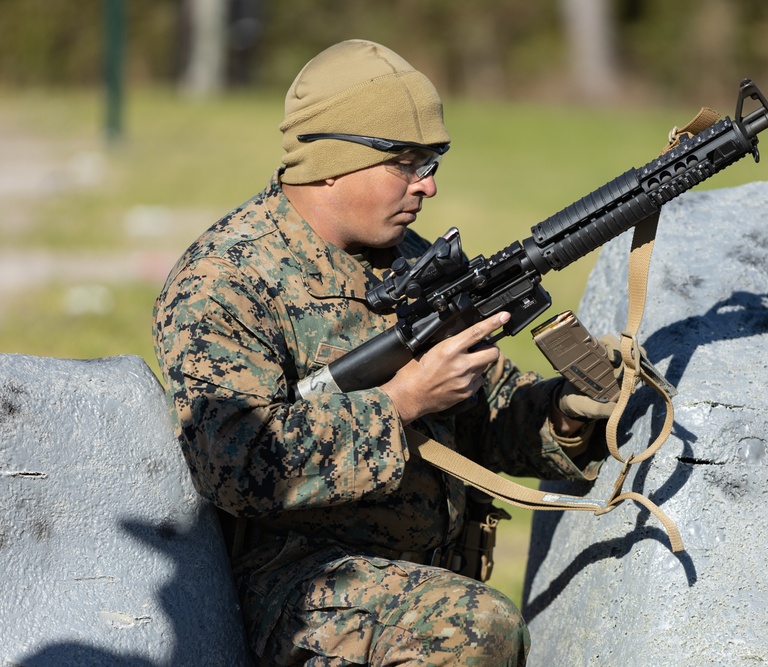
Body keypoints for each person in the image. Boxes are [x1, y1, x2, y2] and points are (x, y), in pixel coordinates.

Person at [153, 39, 615, 666]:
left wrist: (562, 414)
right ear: (331, 162)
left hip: (416, 581)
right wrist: (402, 402)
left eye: (435, 159)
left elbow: (485, 408)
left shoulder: (403, 257)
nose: (428, 184)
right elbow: (234, 460)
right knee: (473, 627)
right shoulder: (228, 279)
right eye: (408, 161)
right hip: (291, 590)